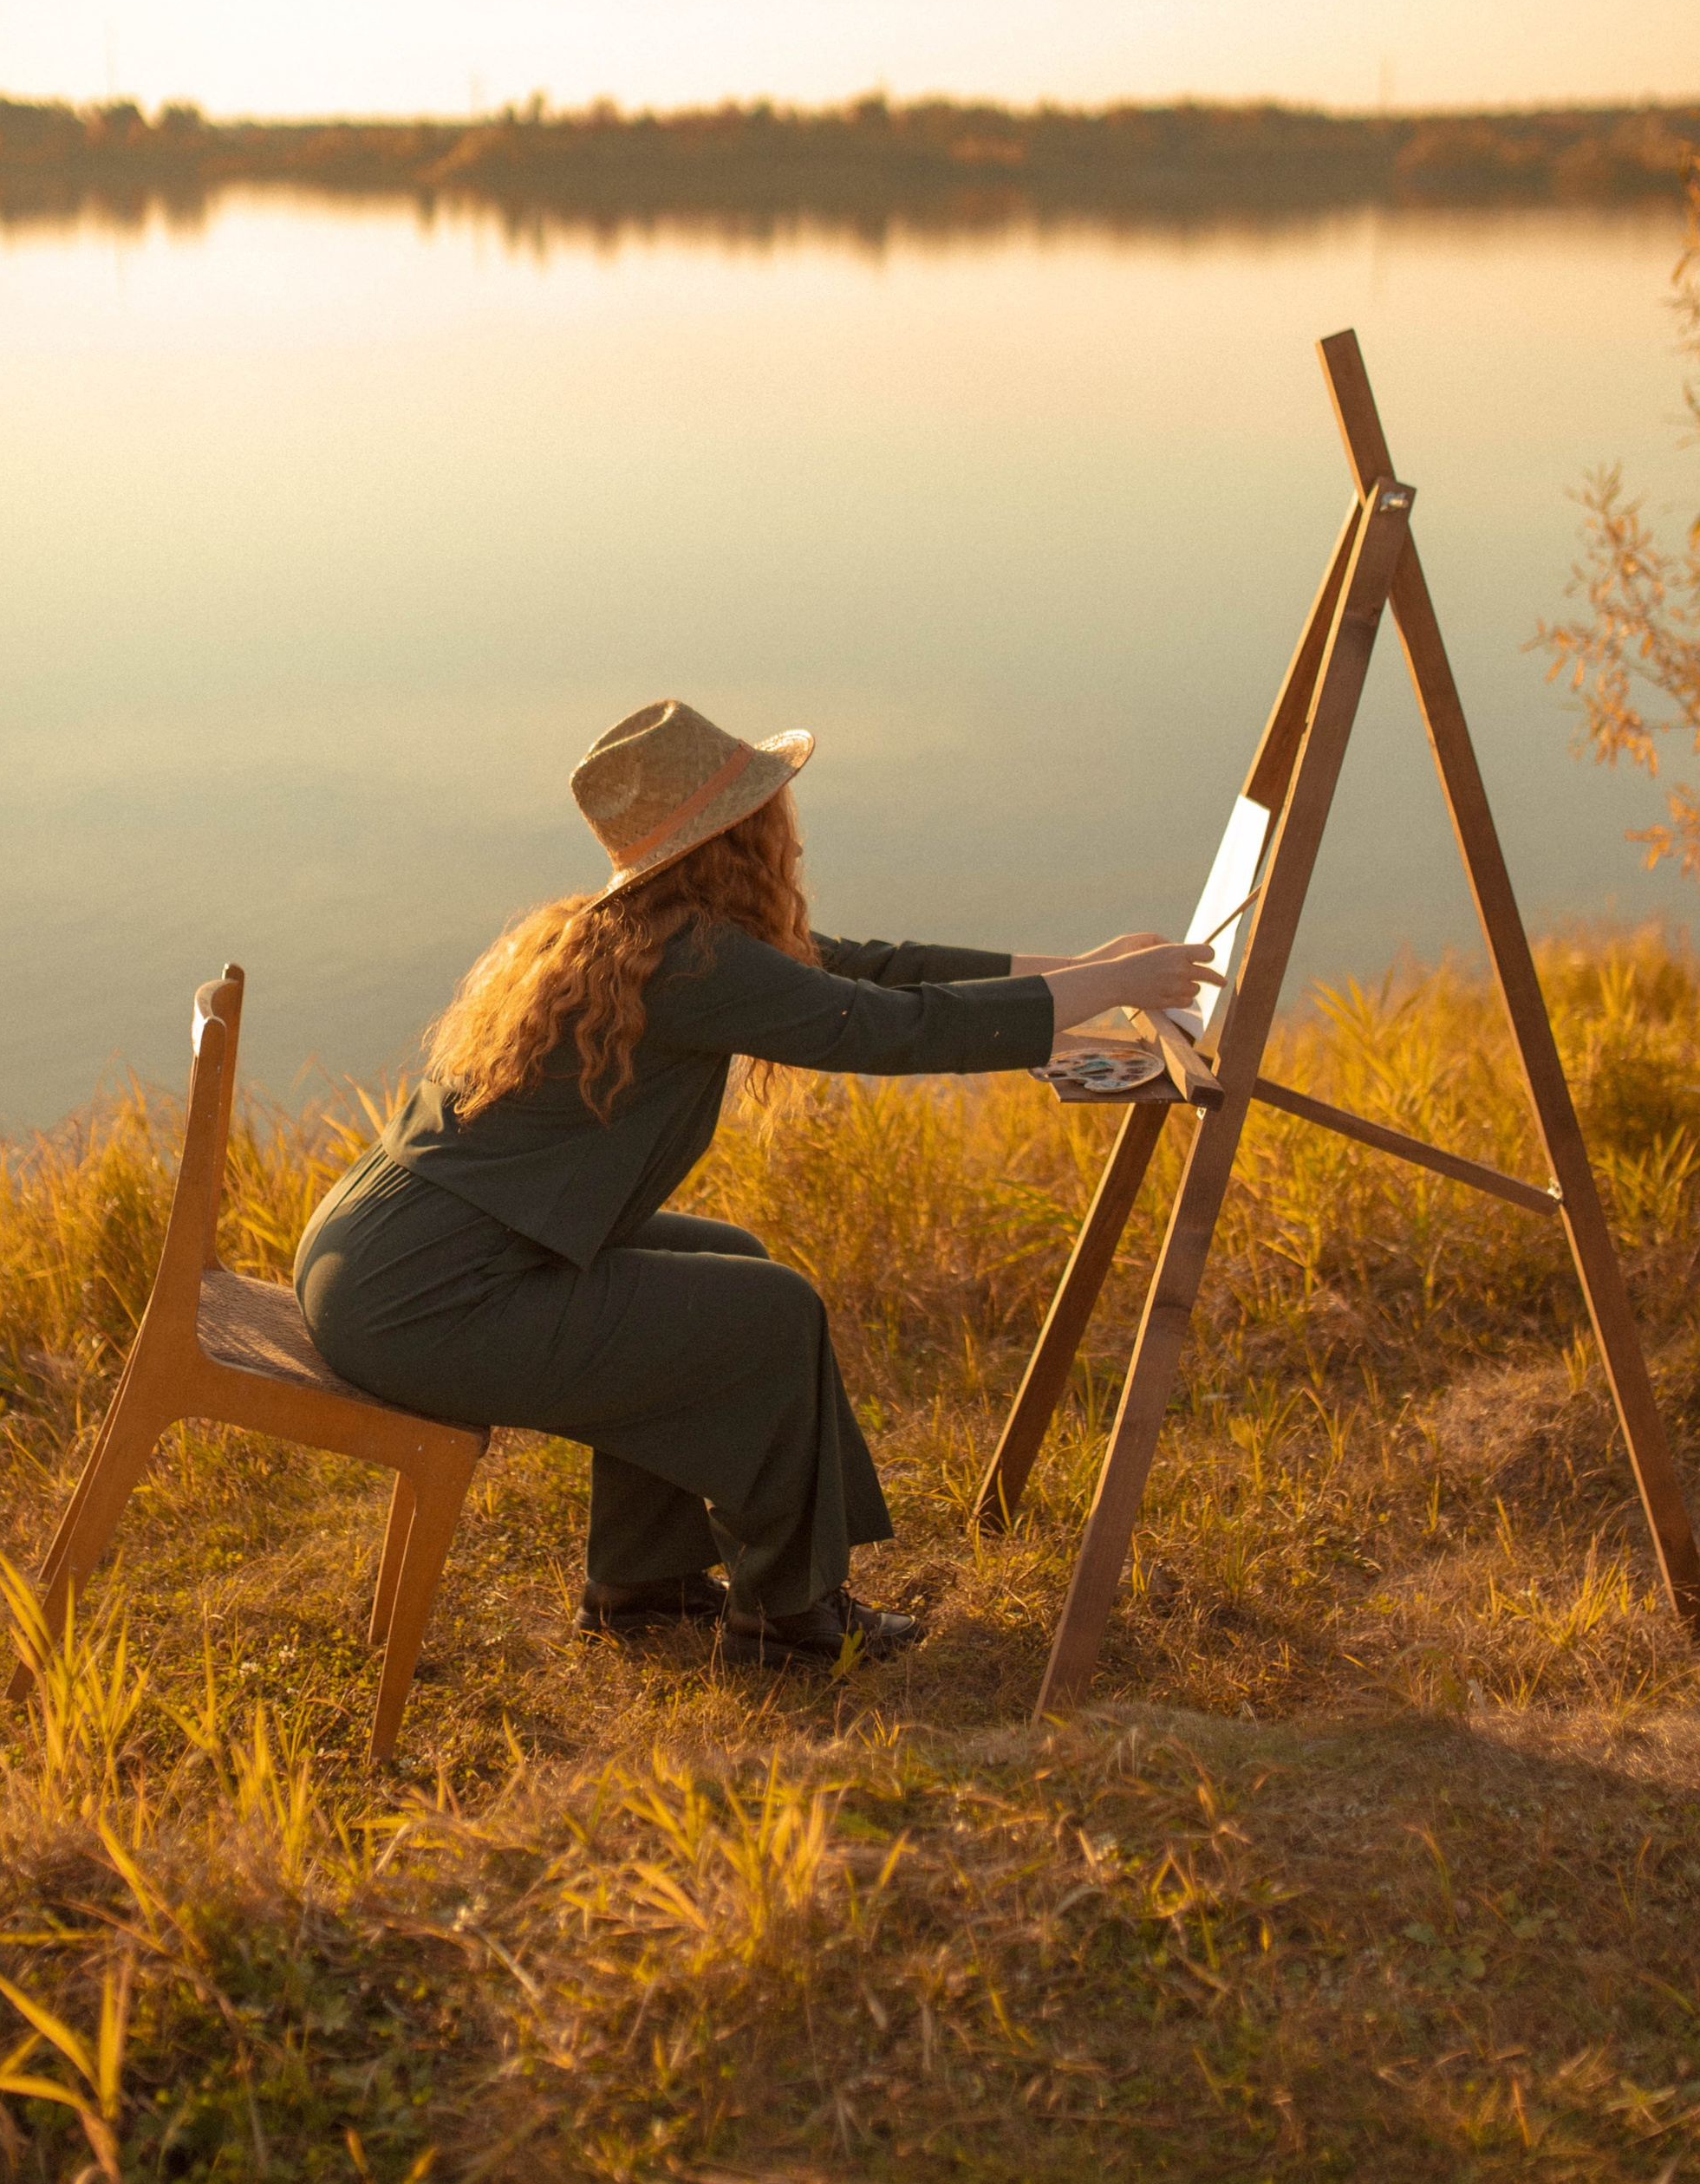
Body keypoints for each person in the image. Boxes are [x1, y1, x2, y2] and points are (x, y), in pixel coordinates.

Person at [295, 699, 1212, 1670]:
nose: (792, 834)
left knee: (725, 1262)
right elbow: (886, 1027)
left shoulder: (632, 935)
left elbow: (870, 973)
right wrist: (1107, 992)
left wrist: (1088, 971)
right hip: (424, 1301)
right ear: (737, 838)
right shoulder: (690, 962)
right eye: (774, 812)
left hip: (375, 1260)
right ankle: (788, 1618)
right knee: (769, 1314)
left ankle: (644, 1584)